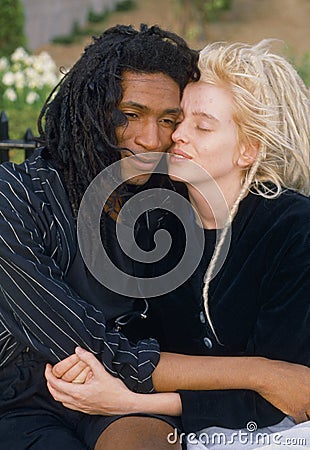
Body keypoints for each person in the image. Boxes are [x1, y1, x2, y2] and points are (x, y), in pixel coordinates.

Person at [0, 25, 309, 448]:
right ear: (92, 109)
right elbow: (83, 345)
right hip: (29, 394)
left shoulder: (166, 200)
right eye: (130, 115)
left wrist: (125, 397)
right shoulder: (15, 196)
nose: (157, 138)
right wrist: (262, 372)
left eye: (170, 120)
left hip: (135, 394)